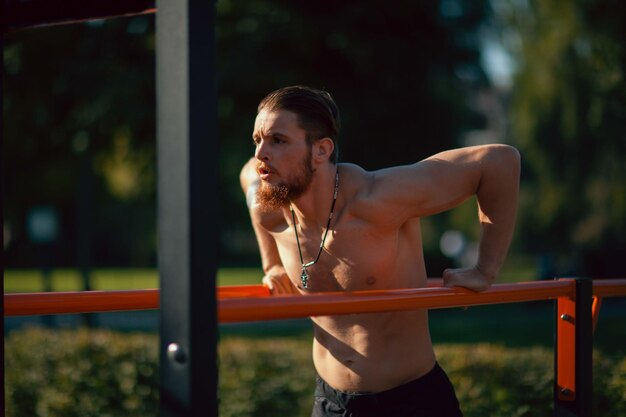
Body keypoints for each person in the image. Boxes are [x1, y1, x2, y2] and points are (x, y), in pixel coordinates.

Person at [240, 85, 520, 417]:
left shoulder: (378, 199)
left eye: (278, 140)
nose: (260, 154)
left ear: (321, 150)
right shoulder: (269, 206)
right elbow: (247, 176)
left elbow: (499, 161)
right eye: (257, 140)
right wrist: (271, 263)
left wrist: (484, 270)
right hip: (331, 404)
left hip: (412, 401)